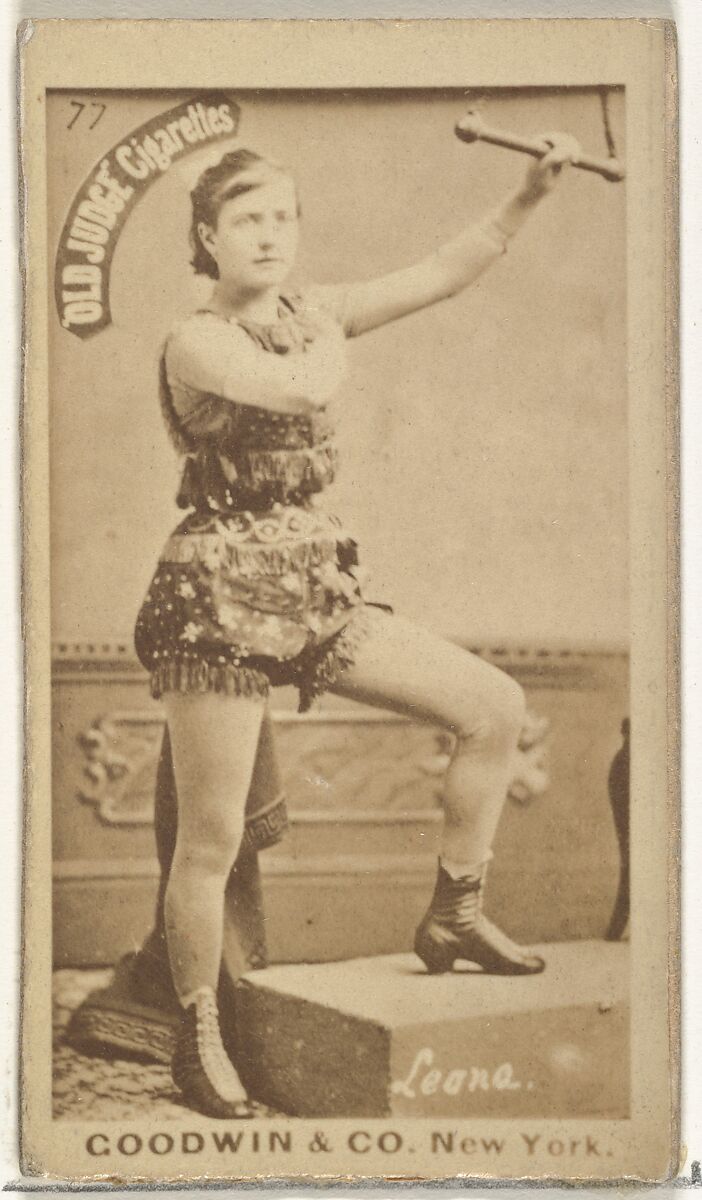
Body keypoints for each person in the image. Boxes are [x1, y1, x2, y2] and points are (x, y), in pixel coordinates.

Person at [134, 131, 579, 1118]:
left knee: (493, 708)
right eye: (247, 219)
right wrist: (327, 324)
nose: (270, 235)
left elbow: (439, 273)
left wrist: (527, 196)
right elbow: (302, 385)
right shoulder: (196, 340)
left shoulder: (314, 314)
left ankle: (456, 914)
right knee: (209, 840)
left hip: (313, 583)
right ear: (207, 237)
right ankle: (196, 1036)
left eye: (283, 217)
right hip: (214, 596)